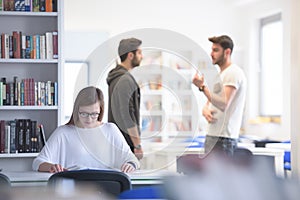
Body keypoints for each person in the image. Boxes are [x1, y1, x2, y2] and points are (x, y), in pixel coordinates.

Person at [32, 86, 140, 173]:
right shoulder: (63, 133)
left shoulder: (110, 130)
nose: (89, 119)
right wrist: (51, 167)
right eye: (83, 113)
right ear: (76, 110)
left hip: (106, 190)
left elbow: (132, 159)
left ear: (100, 110)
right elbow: (37, 163)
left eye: (94, 114)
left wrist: (130, 165)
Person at [192, 35, 247, 155]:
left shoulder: (233, 72)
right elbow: (210, 102)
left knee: (221, 174)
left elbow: (223, 103)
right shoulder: (221, 74)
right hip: (213, 135)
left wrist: (202, 87)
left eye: (216, 50)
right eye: (212, 50)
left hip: (224, 139)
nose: (211, 54)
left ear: (227, 52)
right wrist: (205, 110)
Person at [107, 38, 143, 160]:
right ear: (130, 55)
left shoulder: (117, 77)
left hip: (118, 142)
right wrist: (137, 145)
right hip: (126, 144)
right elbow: (127, 114)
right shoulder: (124, 79)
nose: (142, 56)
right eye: (139, 53)